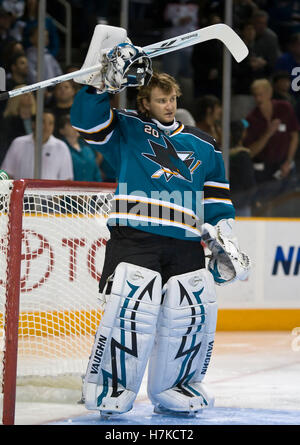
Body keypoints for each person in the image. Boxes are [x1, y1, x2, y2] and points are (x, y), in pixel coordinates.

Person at [70, 33, 250, 418]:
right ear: (144, 102)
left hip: (186, 242)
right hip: (136, 237)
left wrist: (225, 236)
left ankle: (177, 384)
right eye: (160, 100)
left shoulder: (205, 144)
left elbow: (217, 199)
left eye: (172, 99)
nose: (168, 106)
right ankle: (111, 387)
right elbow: (86, 123)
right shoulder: (127, 128)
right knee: (130, 312)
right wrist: (103, 83)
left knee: (189, 316)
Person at [244, 78, 299, 188]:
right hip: (263, 170)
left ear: (270, 93)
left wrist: (288, 161)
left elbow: (294, 135)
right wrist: (268, 133)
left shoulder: (284, 107)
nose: (258, 99)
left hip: (285, 164)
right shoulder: (251, 119)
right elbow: (250, 152)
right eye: (255, 95)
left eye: (261, 95)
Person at [1, 109, 73, 180]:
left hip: (49, 191)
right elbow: (7, 173)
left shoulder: (61, 147)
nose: (46, 127)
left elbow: (67, 179)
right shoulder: (18, 143)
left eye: (50, 123)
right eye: (43, 122)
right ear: (33, 124)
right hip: (21, 191)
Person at [57, 114, 102, 182]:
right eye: (70, 124)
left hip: (91, 191)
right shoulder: (60, 150)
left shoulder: (88, 149)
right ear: (61, 130)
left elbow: (96, 173)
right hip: (70, 191)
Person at [0, 85, 35, 164]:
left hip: (34, 157)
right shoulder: (8, 121)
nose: (29, 96)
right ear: (16, 97)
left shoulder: (38, 119)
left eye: (31, 94)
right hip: (15, 158)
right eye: (25, 94)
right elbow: (5, 144)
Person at [229, 119, 257, 215]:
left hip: (228, 200)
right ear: (243, 133)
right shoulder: (243, 155)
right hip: (241, 203)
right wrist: (254, 200)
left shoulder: (221, 154)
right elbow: (249, 180)